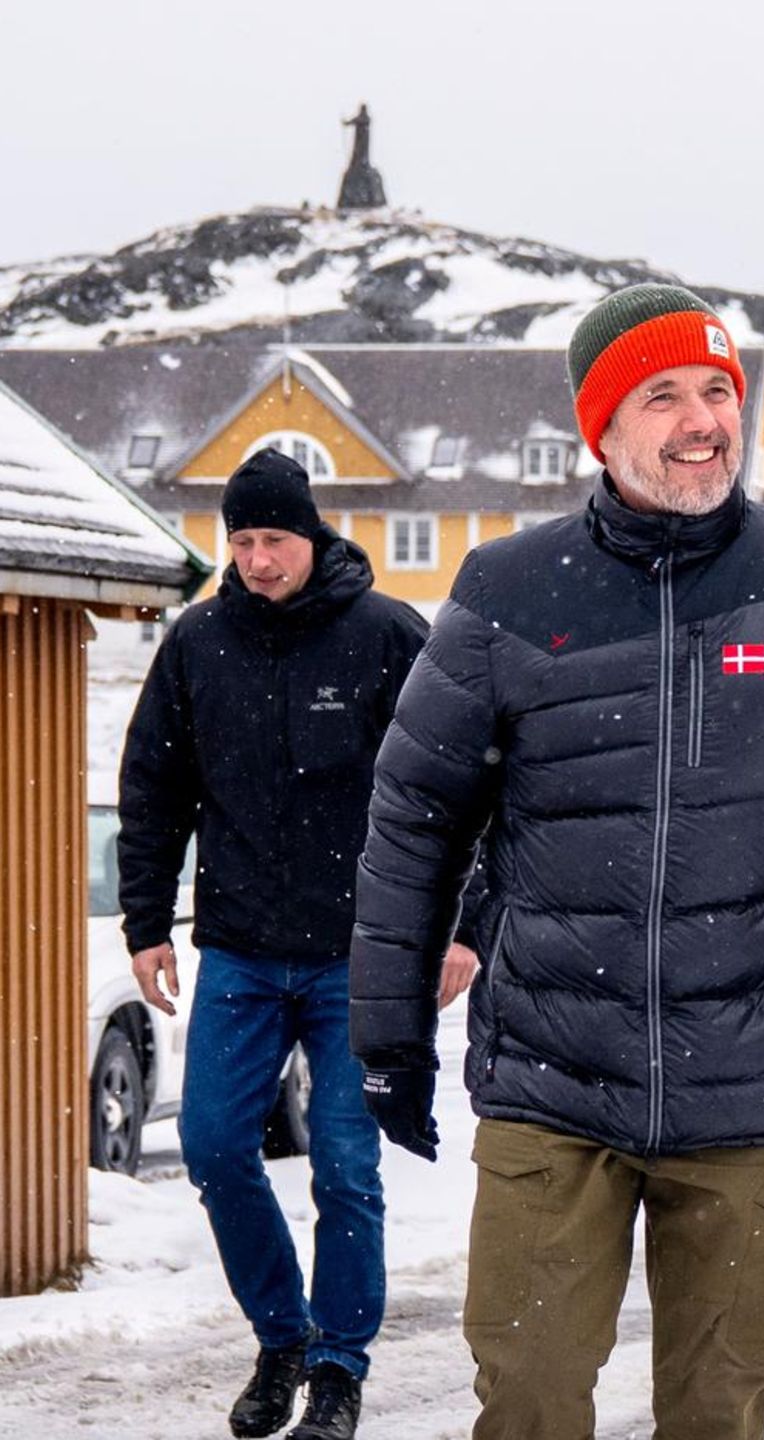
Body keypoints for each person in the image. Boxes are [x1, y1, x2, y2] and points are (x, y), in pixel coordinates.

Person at [349, 283, 764, 1438]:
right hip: (552, 1078)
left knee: (716, 1410)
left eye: (720, 391)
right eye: (666, 394)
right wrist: (386, 1033)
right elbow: (416, 816)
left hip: (756, 1080)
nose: (703, 420)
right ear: (603, 427)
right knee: (528, 1401)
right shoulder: (508, 590)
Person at [118, 448, 479, 1440]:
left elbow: (461, 790)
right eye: (239, 541)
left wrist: (460, 928)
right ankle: (281, 1339)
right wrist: (147, 922)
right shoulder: (196, 643)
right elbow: (154, 790)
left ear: (311, 536)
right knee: (215, 1147)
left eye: (272, 539)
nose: (256, 559)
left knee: (344, 1168)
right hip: (237, 950)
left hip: (361, 962)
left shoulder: (388, 638)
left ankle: (338, 1369)